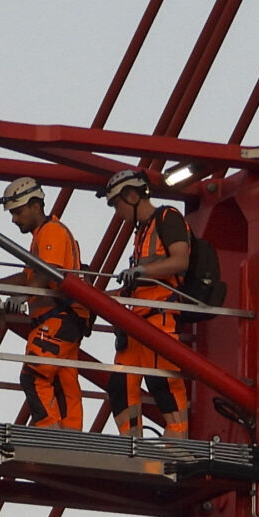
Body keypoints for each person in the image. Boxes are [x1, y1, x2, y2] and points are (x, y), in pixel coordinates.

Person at [100, 168, 201, 436]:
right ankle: (131, 441)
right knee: (120, 385)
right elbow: (139, 284)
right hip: (136, 322)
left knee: (162, 383)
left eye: (116, 204)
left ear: (132, 196)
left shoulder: (168, 218)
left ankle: (178, 439)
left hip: (159, 317)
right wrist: (100, 298)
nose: (116, 211)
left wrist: (142, 272)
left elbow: (180, 260)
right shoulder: (141, 232)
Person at [0, 176, 89, 430]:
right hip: (66, 320)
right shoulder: (44, 235)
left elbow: (47, 272)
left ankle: (48, 431)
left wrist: (22, 296)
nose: (14, 219)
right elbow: (29, 276)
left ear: (36, 206)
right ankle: (71, 436)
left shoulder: (52, 232)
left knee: (34, 375)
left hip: (57, 318)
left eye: (18, 212)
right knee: (64, 384)